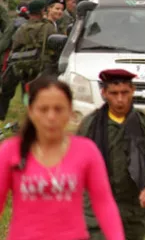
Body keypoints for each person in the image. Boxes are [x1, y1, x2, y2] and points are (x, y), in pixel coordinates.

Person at [0, 76, 125, 240]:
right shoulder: (11, 151)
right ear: (30, 111)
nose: (51, 117)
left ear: (70, 112)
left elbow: (104, 204)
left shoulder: (86, 151)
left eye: (58, 109)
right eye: (43, 109)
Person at [77, 70, 145, 240]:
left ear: (133, 91)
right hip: (95, 210)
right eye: (114, 93)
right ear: (104, 93)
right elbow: (74, 164)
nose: (120, 99)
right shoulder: (90, 125)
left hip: (132, 211)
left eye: (125, 93)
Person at [0, 0, 57, 120]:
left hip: (22, 64)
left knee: (12, 90)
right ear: (42, 11)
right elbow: (53, 45)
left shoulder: (22, 27)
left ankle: (3, 115)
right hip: (41, 64)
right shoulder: (48, 26)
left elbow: (14, 46)